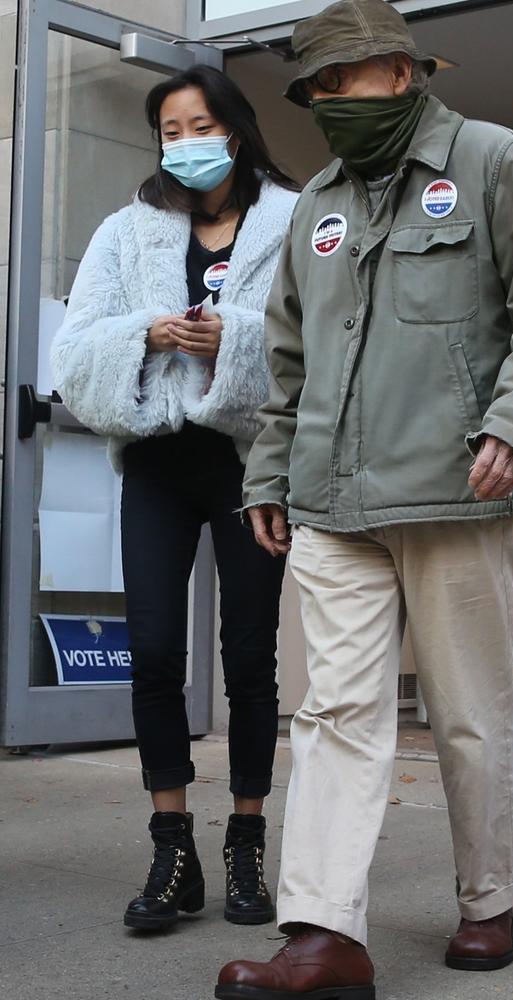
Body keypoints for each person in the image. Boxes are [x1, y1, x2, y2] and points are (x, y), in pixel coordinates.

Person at [214, 1, 513, 996]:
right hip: (331, 502)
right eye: (314, 91)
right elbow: (288, 362)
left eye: (338, 82)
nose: (326, 104)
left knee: (468, 713)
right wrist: (268, 472)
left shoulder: (490, 159)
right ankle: (323, 933)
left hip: (453, 491)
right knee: (334, 709)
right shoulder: (319, 205)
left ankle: (486, 898)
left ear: (395, 68)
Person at [51, 65, 299, 933]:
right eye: (170, 130)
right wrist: (149, 333)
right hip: (158, 458)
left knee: (250, 657)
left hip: (250, 464)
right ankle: (171, 848)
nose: (186, 143)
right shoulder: (129, 231)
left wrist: (234, 339)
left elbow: (316, 348)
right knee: (153, 652)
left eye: (201, 125)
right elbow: (77, 352)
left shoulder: (294, 220)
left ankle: (246, 844)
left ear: (234, 127)